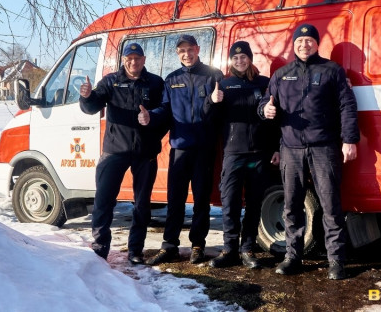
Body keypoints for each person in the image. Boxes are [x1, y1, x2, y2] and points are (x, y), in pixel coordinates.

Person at [258, 24, 360, 280]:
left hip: (324, 148)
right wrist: (264, 110)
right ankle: (293, 257)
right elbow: (265, 103)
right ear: (294, 45)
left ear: (317, 44)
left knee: (330, 205)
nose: (304, 45)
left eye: (309, 41)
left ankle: (336, 260)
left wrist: (349, 140)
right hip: (290, 150)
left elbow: (347, 106)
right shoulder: (282, 74)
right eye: (299, 41)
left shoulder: (332, 70)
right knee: (292, 206)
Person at [79, 42, 166, 265]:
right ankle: (100, 248)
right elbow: (92, 107)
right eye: (129, 58)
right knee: (103, 200)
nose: (133, 62)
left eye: (137, 58)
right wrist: (87, 97)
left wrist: (152, 120)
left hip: (145, 152)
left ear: (144, 60)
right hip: (115, 150)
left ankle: (135, 250)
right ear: (123, 60)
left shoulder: (155, 82)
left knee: (142, 204)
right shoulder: (111, 81)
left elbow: (166, 113)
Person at [143, 34, 224, 265]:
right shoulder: (172, 79)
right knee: (175, 200)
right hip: (179, 148)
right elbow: (165, 110)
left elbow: (221, 114)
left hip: (204, 149)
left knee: (201, 200)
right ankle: (170, 246)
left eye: (190, 49)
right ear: (177, 54)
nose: (186, 54)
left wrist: (216, 102)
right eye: (182, 51)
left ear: (197, 49)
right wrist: (151, 116)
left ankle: (198, 245)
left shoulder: (213, 75)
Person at [203, 41, 280, 269]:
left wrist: (276, 147)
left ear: (250, 58)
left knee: (254, 203)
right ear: (230, 61)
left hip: (259, 154)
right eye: (235, 58)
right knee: (230, 202)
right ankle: (229, 250)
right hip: (233, 153)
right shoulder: (223, 85)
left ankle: (247, 249)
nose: (239, 61)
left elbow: (275, 120)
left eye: (243, 57)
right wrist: (211, 102)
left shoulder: (264, 83)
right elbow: (208, 118)